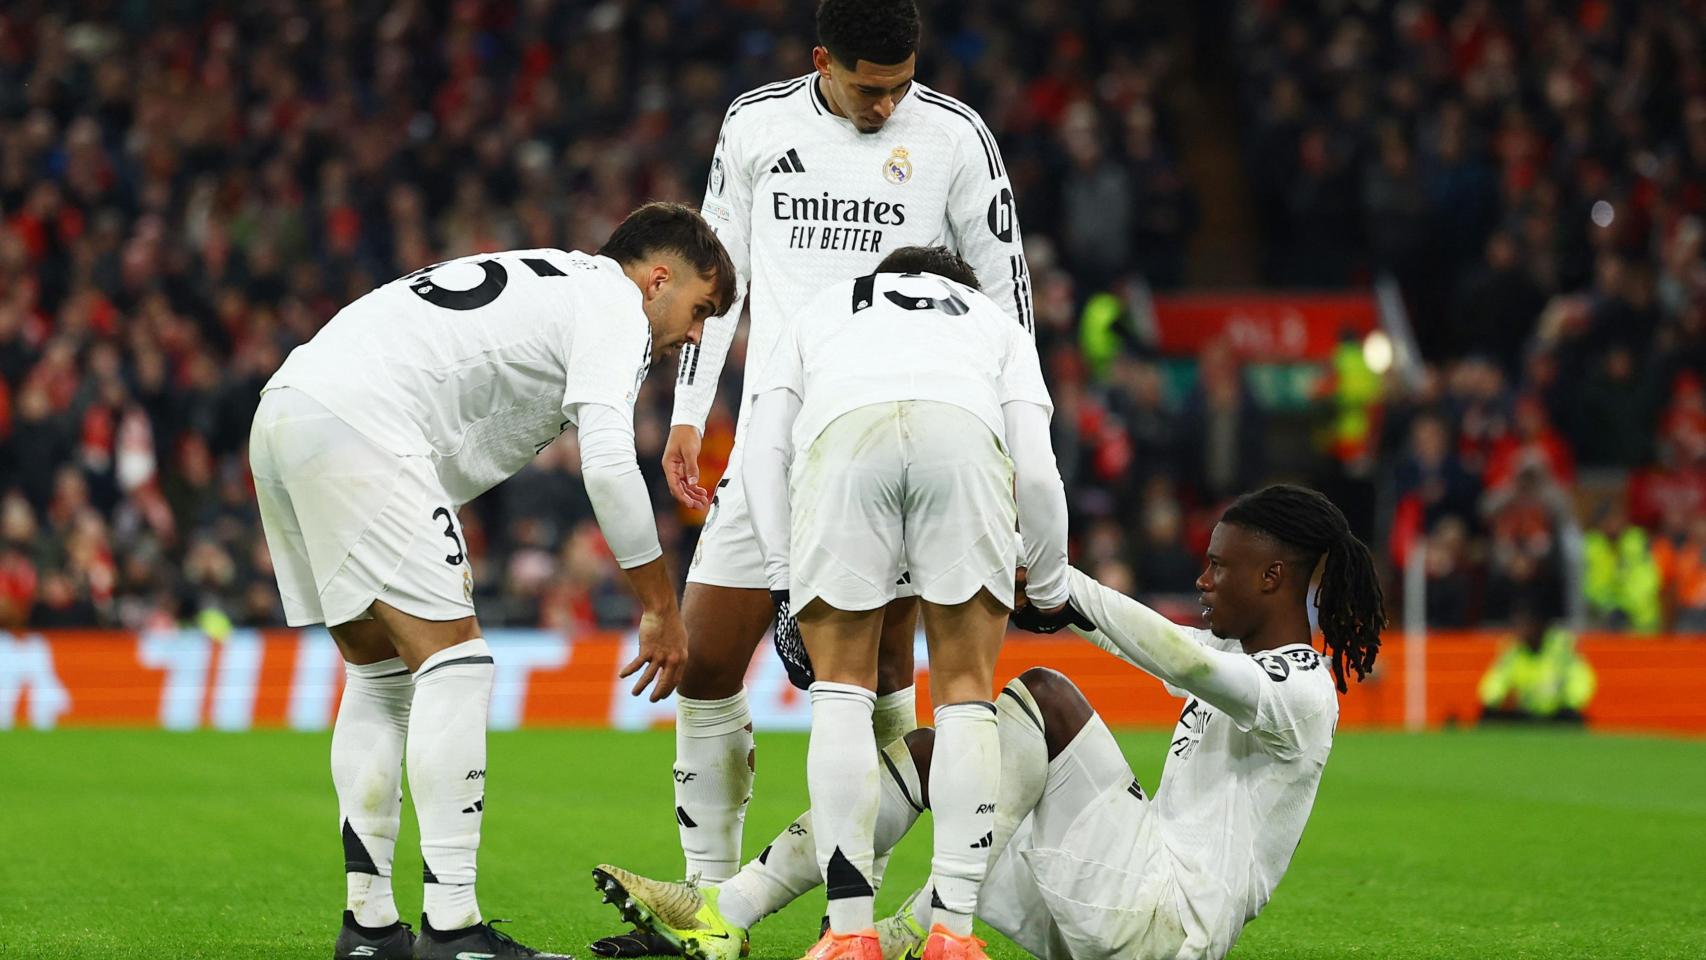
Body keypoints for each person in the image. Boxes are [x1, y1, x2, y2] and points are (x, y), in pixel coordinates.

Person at [605, 0, 1036, 954]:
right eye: (866, 87)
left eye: (901, 87)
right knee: (708, 663)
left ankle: (856, 907)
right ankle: (710, 903)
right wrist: (686, 412)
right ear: (820, 61)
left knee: (875, 679)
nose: (886, 106)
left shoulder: (958, 137)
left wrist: (1013, 444)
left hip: (886, 439)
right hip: (770, 438)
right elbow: (714, 283)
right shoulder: (757, 125)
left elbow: (1008, 300)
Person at [589, 484, 1385, 960]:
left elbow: (1186, 660)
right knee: (951, 753)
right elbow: (1175, 644)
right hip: (1122, 902)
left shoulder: (1304, 694)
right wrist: (1037, 585)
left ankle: (895, 937)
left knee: (1044, 695)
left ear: (1274, 576)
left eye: (1221, 565)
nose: (1203, 577)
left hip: (1168, 923)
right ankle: (732, 910)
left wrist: (1062, 586)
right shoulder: (1246, 660)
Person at [249, 202, 735, 960]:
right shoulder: (614, 303)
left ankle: (370, 928)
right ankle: (453, 928)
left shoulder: (554, 282)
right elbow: (608, 464)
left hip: (288, 407)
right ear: (658, 278)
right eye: (700, 309)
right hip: (363, 419)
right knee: (457, 663)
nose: (697, 334)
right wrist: (660, 607)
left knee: (379, 678)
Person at [740, 245, 1068, 960]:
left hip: (843, 441)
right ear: (956, 290)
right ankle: (953, 931)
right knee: (964, 698)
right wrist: (1047, 579)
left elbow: (761, 450)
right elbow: (1039, 475)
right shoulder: (993, 321)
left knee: (840, 695)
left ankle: (849, 931)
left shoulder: (822, 311)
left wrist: (782, 581)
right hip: (963, 441)